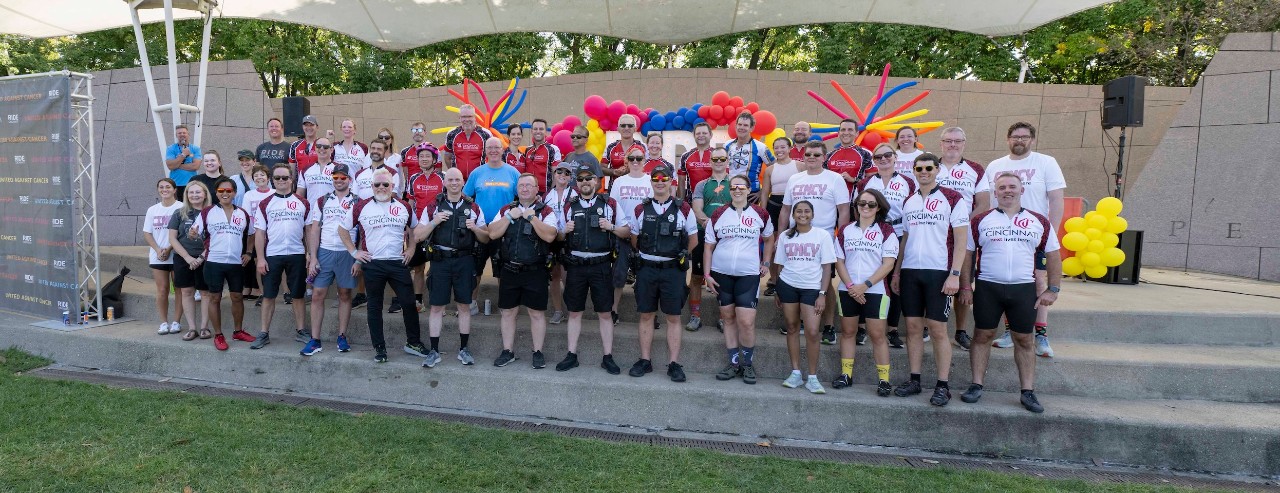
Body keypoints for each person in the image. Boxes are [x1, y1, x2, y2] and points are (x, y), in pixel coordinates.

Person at [959, 172, 1062, 413]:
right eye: (1002, 187)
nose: (1007, 190)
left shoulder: (1039, 221)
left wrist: (1053, 288)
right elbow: (967, 254)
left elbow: (1054, 255)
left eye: (1012, 187)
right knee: (982, 336)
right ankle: (976, 385)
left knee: (1025, 339)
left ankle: (1027, 391)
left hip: (1023, 289)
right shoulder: (981, 220)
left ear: (1022, 190)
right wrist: (966, 285)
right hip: (988, 287)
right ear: (995, 193)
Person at [975, 122, 1066, 358]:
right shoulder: (996, 165)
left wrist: (1050, 235)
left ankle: (1041, 334)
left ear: (1032, 140)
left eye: (1025, 137)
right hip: (1001, 234)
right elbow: (987, 199)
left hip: (1032, 235)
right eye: (1015, 136)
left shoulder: (1046, 162)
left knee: (1038, 281)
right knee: (1006, 281)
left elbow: (1056, 199)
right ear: (1008, 139)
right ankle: (1009, 331)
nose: (1020, 140)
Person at [892, 153, 970, 407]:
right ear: (913, 171)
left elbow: (961, 240)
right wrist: (897, 271)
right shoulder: (909, 200)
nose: (923, 172)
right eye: (918, 168)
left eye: (928, 168)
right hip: (911, 271)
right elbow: (904, 238)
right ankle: (915, 379)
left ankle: (942, 385)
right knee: (913, 329)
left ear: (937, 170)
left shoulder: (952, 198)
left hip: (940, 272)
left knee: (937, 330)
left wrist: (955, 274)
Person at [341, 169, 424, 363]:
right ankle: (379, 348)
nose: (381, 187)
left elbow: (413, 229)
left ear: (392, 186)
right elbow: (342, 230)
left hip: (397, 262)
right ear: (371, 187)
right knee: (374, 307)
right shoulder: (361, 207)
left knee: (409, 303)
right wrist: (355, 253)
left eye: (385, 184)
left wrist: (411, 249)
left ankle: (413, 343)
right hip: (373, 263)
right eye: (377, 184)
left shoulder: (404, 206)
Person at [413, 167, 490, 367]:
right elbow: (418, 236)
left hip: (465, 261)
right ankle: (434, 351)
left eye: (457, 179)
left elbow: (486, 237)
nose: (454, 183)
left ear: (463, 182)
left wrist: (475, 228)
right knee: (437, 306)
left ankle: (464, 349)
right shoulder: (433, 206)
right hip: (440, 260)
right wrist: (434, 222)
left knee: (464, 306)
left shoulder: (473, 207)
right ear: (444, 182)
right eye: (450, 180)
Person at [554, 161, 626, 374]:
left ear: (597, 180)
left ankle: (608, 356)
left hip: (601, 265)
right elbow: (556, 235)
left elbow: (626, 231)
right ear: (577, 183)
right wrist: (563, 232)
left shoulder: (610, 203)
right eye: (581, 179)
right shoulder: (569, 205)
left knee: (605, 313)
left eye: (589, 178)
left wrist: (611, 227)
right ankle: (571, 355)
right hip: (576, 266)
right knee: (574, 312)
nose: (585, 182)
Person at [628, 164, 697, 382]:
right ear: (651, 182)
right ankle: (645, 360)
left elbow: (693, 238)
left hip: (672, 271)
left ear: (671, 182)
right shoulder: (641, 208)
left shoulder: (684, 208)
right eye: (656, 179)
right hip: (647, 269)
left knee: (674, 317)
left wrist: (681, 254)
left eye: (664, 179)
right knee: (646, 314)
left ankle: (674, 363)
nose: (660, 182)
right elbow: (634, 237)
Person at [705, 174, 774, 384]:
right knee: (728, 318)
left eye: (741, 187)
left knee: (746, 321)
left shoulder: (760, 213)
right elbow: (708, 246)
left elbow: (769, 238)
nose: (737, 190)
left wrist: (766, 263)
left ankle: (748, 364)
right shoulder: (718, 214)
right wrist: (707, 274)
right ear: (729, 190)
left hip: (748, 275)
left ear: (748, 189)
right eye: (734, 187)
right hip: (721, 273)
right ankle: (734, 363)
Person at [779, 140, 849, 341]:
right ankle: (801, 320)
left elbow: (843, 210)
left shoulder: (835, 179)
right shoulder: (795, 178)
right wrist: (781, 235)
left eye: (816, 155)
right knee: (795, 277)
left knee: (824, 285)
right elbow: (785, 209)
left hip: (823, 238)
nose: (812, 158)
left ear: (824, 158)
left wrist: (839, 239)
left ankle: (828, 326)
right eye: (808, 154)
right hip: (795, 238)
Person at [488, 174, 560, 368]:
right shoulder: (506, 209)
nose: (525, 188)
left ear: (537, 189)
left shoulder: (546, 211)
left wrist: (532, 219)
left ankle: (538, 352)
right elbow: (492, 232)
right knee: (508, 312)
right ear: (517, 189)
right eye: (521, 185)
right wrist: (510, 217)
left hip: (535, 271)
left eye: (529, 185)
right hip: (510, 269)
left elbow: (550, 236)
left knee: (536, 313)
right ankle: (507, 351)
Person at [833, 189, 898, 395]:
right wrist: (852, 286)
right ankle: (846, 375)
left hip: (876, 290)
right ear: (856, 206)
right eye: (862, 204)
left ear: (878, 207)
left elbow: (888, 264)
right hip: (848, 289)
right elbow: (839, 261)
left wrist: (865, 285)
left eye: (871, 204)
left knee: (877, 335)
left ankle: (884, 380)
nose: (866, 208)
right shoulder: (845, 230)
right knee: (849, 332)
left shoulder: (886, 231)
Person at [773, 200, 836, 394]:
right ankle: (795, 373)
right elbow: (780, 265)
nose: (802, 214)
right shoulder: (785, 236)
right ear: (793, 215)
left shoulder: (822, 235)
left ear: (812, 214)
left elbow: (827, 268)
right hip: (788, 285)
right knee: (792, 327)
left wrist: (823, 294)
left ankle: (813, 377)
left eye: (806, 211)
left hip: (812, 288)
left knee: (812, 331)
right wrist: (777, 289)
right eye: (798, 211)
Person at [857, 143, 916, 349]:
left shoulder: (908, 181)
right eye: (878, 156)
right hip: (872, 232)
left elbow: (911, 208)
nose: (883, 159)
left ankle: (892, 329)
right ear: (873, 160)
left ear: (895, 157)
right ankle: (862, 327)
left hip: (897, 232)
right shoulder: (865, 181)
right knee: (868, 275)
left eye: (887, 155)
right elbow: (859, 207)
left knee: (894, 280)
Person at [249, 163, 311, 349]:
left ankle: (301, 330)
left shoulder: (303, 202)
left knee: (298, 295)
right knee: (268, 295)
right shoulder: (265, 203)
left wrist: (310, 253)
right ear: (272, 180)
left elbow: (309, 230)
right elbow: (260, 233)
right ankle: (264, 333)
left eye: (285, 177)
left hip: (297, 253)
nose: (282, 181)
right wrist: (260, 258)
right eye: (277, 178)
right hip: (273, 254)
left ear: (291, 179)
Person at [935, 127, 987, 351]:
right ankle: (931, 326)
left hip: (962, 234)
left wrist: (962, 223)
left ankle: (961, 331)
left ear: (964, 143)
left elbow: (984, 204)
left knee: (963, 282)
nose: (952, 145)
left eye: (957, 141)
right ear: (941, 143)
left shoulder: (974, 169)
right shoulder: (929, 165)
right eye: (948, 141)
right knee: (934, 279)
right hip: (933, 232)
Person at [302, 164, 359, 356]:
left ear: (349, 179)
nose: (339, 180)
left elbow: (363, 231)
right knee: (318, 294)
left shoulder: (358, 201)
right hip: (325, 251)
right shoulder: (322, 200)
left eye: (343, 177)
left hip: (347, 253)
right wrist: (313, 256)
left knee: (344, 294)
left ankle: (342, 336)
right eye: (336, 177)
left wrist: (358, 258)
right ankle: (315, 339)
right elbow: (315, 229)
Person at [198, 177, 257, 351]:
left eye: (228, 191)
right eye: (221, 191)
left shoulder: (242, 213)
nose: (225, 194)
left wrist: (248, 252)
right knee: (214, 298)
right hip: (214, 261)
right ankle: (218, 335)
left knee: (237, 297)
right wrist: (194, 234)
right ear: (216, 193)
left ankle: (238, 331)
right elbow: (195, 232)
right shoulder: (207, 212)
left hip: (235, 263)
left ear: (234, 193)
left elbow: (251, 234)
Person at [462, 137, 520, 313]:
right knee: (475, 269)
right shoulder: (477, 173)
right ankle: (471, 303)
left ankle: (505, 304)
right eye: (490, 148)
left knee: (503, 270)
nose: (493, 150)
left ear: (503, 150)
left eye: (497, 147)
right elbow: (465, 196)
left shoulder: (513, 173)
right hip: (480, 228)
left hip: (503, 228)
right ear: (485, 151)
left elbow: (522, 197)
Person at [608, 145, 653, 324]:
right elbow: (612, 206)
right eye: (632, 158)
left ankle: (650, 314)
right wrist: (619, 227)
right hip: (623, 233)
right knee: (618, 274)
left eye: (639, 158)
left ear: (644, 161)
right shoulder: (619, 182)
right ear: (626, 160)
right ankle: (613, 310)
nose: (635, 162)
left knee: (647, 276)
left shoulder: (650, 180)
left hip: (645, 235)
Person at [688, 146, 732, 332]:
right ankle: (695, 315)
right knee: (697, 276)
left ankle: (723, 318)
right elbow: (697, 208)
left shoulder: (735, 182)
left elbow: (739, 207)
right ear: (710, 162)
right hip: (703, 233)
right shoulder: (702, 185)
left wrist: (722, 227)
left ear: (728, 161)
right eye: (715, 159)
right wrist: (708, 224)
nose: (719, 162)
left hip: (727, 235)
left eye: (722, 159)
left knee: (723, 277)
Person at [402, 144, 445, 314]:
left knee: (436, 269)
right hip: (418, 227)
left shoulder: (443, 178)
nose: (424, 159)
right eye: (421, 157)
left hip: (437, 227)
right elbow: (411, 204)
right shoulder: (413, 179)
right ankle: (418, 301)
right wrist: (408, 226)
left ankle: (438, 304)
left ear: (434, 160)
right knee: (418, 267)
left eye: (428, 156)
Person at [167, 181, 211, 342]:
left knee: (206, 293)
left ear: (205, 194)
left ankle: (204, 327)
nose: (194, 195)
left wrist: (200, 258)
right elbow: (172, 238)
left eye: (198, 192)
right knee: (186, 292)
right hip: (183, 258)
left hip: (206, 259)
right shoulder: (179, 213)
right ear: (186, 195)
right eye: (191, 192)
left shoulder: (212, 212)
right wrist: (187, 257)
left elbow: (216, 239)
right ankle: (192, 328)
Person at [760, 136, 801, 297]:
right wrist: (763, 212)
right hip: (775, 205)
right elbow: (765, 193)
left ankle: (790, 280)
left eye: (782, 147)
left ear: (789, 148)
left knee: (793, 244)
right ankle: (774, 280)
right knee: (774, 244)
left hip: (795, 206)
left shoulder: (800, 165)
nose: (779, 150)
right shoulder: (770, 169)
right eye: (776, 147)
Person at [145, 178, 184, 336]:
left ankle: (176, 321)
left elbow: (182, 233)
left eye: (168, 187)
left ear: (175, 190)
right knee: (162, 290)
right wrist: (158, 249)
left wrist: (169, 248)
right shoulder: (152, 210)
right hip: (158, 256)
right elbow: (147, 233)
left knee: (179, 289)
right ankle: (163, 322)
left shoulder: (181, 207)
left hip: (177, 255)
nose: (164, 189)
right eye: (161, 187)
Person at [543, 161, 577, 325]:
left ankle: (572, 312)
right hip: (552, 239)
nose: (562, 175)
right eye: (559, 172)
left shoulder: (575, 194)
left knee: (567, 276)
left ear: (571, 178)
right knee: (554, 276)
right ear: (554, 174)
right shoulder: (546, 195)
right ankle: (558, 311)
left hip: (569, 239)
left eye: (567, 173)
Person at [724, 111, 774, 200]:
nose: (742, 127)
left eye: (746, 125)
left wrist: (763, 192)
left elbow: (776, 170)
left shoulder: (761, 147)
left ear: (752, 128)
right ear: (736, 126)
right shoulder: (727, 145)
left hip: (751, 194)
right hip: (729, 191)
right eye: (740, 124)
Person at [240, 164, 272, 303]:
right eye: (256, 176)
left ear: (268, 177)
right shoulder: (249, 195)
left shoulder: (274, 193)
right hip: (254, 234)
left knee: (274, 262)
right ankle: (263, 293)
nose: (259, 178)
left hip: (272, 235)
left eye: (262, 175)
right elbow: (246, 216)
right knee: (258, 261)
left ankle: (286, 292)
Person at [825, 119, 875, 196]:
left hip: (855, 204)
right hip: (831, 202)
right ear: (838, 133)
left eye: (850, 130)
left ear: (857, 134)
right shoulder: (828, 156)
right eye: (843, 130)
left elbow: (873, 180)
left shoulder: (865, 154)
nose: (846, 133)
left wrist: (853, 180)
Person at [442, 104, 492, 180]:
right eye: (464, 117)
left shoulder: (485, 134)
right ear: (459, 118)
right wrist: (454, 173)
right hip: (459, 181)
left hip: (480, 179)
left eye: (470, 116)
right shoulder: (452, 134)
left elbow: (493, 157)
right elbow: (447, 158)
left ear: (475, 117)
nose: (467, 119)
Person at [602, 114, 645, 190]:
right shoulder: (611, 147)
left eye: (630, 125)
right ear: (618, 129)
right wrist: (614, 172)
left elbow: (646, 167)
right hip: (615, 189)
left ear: (635, 129)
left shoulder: (642, 147)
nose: (626, 128)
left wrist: (628, 170)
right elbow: (601, 168)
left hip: (636, 189)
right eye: (623, 125)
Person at [678, 122, 714, 200]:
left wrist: (717, 194)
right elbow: (681, 182)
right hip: (691, 202)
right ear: (694, 136)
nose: (701, 135)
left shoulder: (718, 155)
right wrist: (680, 203)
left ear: (711, 135)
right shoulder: (685, 156)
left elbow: (726, 180)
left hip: (713, 202)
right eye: (698, 133)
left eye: (704, 133)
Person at [523, 119, 560, 194]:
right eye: (535, 129)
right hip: (528, 193)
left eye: (541, 129)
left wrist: (549, 195)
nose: (538, 131)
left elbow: (557, 175)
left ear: (546, 131)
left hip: (546, 194)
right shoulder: (527, 150)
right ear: (531, 131)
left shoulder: (553, 149)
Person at [297, 137, 337, 204]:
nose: (322, 149)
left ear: (331, 149)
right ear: (315, 148)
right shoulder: (306, 169)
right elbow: (300, 194)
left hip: (332, 212)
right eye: (318, 146)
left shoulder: (338, 169)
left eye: (325, 147)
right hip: (312, 212)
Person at [164, 124, 201, 196]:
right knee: (178, 206)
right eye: (179, 133)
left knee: (191, 206)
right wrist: (183, 155)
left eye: (184, 133)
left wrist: (177, 164)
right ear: (176, 135)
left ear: (188, 134)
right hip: (176, 184)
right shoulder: (170, 148)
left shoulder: (195, 149)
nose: (182, 135)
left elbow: (195, 166)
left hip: (191, 184)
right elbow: (170, 166)